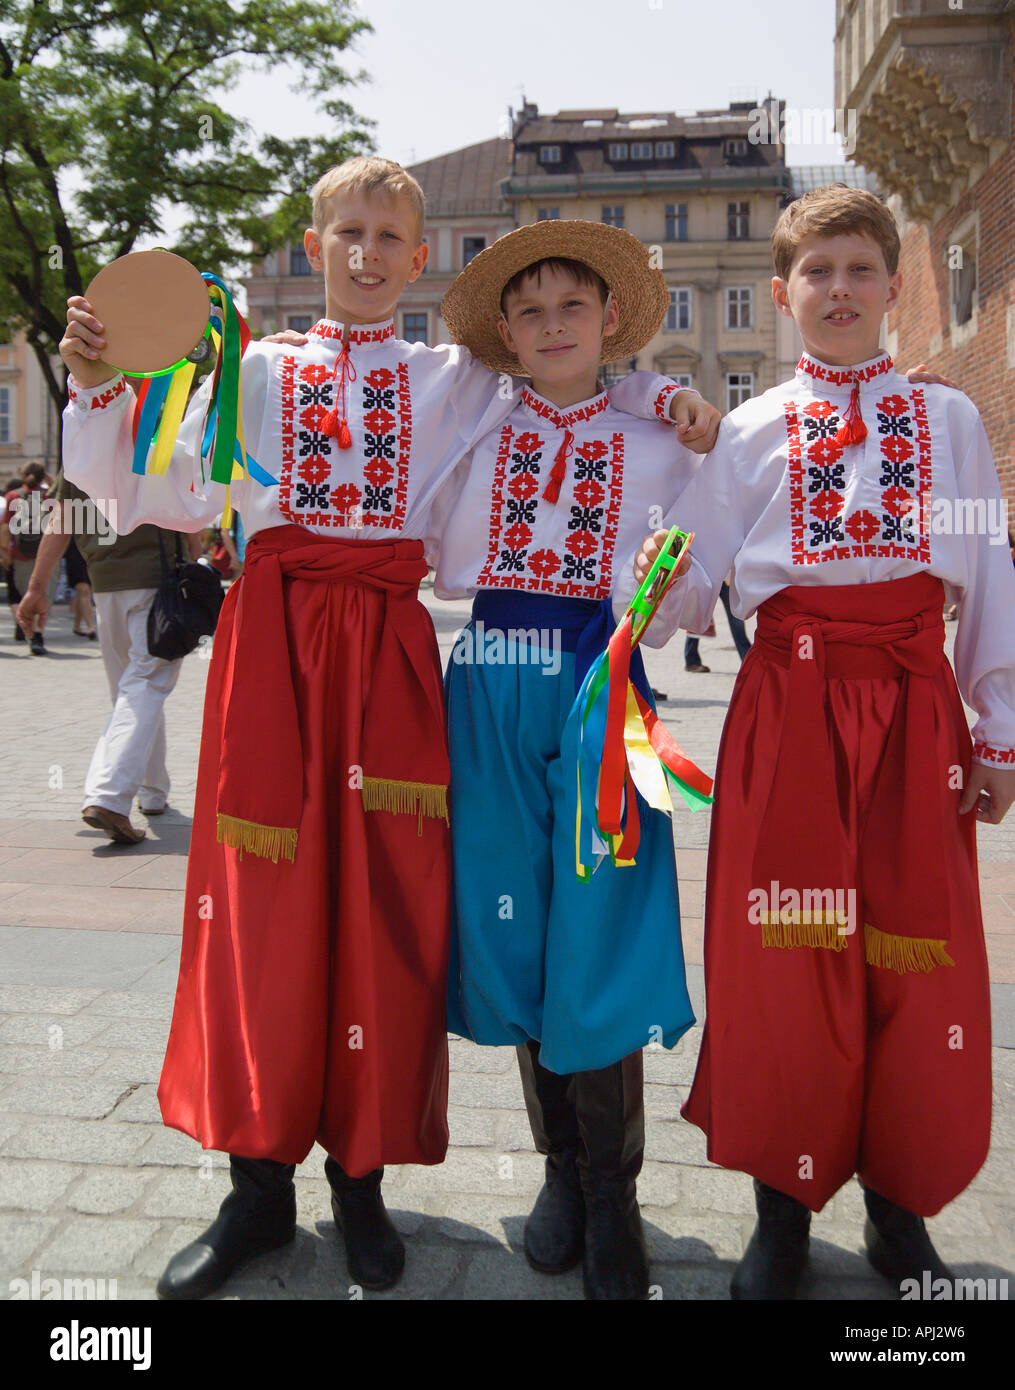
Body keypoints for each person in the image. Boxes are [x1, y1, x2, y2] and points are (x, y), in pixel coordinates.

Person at [60, 157, 706, 1301]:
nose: (365, 252)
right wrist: (101, 380)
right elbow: (150, 485)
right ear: (314, 249)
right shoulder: (254, 370)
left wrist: (664, 396)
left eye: (387, 236)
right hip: (272, 655)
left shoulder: (453, 376)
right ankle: (256, 1189)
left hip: (393, 665)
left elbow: (570, 385)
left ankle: (358, 1181)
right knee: (257, 918)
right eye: (346, 231)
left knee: (380, 916)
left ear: (419, 262)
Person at [624, 184, 1015, 1299]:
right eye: (817, 273)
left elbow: (985, 573)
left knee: (913, 960)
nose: (838, 291)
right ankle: (781, 1215)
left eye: (858, 270)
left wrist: (998, 731)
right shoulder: (747, 428)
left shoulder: (947, 422)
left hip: (910, 714)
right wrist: (644, 571)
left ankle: (899, 1213)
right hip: (788, 720)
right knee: (785, 965)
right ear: (783, 293)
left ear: (893, 285)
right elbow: (689, 581)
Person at [431, 220, 718, 1299]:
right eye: (531, 309)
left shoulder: (665, 439)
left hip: (603, 689)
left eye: (573, 306)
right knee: (516, 931)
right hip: (490, 685)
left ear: (610, 322)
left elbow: (688, 599)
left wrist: (669, 574)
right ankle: (558, 1169)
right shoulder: (471, 423)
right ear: (505, 332)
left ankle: (613, 1194)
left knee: (599, 933)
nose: (553, 325)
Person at [16, 476, 194, 843]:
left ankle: (153, 790)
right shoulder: (162, 425)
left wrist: (36, 588)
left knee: (131, 694)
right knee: (145, 686)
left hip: (106, 584)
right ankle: (108, 795)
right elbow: (190, 511)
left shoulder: (85, 427)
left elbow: (61, 519)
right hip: (156, 582)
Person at [2, 460, 54, 652]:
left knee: (24, 595)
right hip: (46, 555)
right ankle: (38, 634)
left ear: (23, 475)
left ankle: (30, 635)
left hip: (20, 554)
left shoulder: (14, 495)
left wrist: (5, 553)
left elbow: (6, 528)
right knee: (43, 596)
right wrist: (48, 479)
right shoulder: (49, 495)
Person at [684, 576, 751, 672]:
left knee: (735, 617)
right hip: (708, 576)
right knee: (698, 618)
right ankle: (691, 660)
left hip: (725, 576)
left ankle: (747, 660)